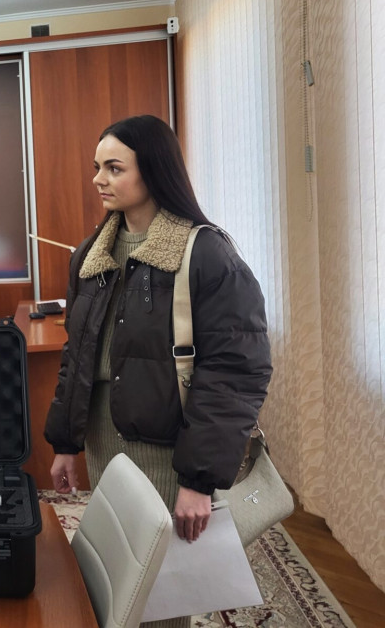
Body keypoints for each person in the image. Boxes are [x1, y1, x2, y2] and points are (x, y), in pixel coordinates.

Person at [43, 115, 271, 627]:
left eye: (114, 168)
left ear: (154, 170)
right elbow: (77, 356)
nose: (98, 179)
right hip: (105, 443)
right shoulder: (90, 255)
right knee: (120, 585)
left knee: (163, 598)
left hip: (167, 452)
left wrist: (198, 481)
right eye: (97, 167)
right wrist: (65, 442)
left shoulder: (205, 253)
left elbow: (236, 371)